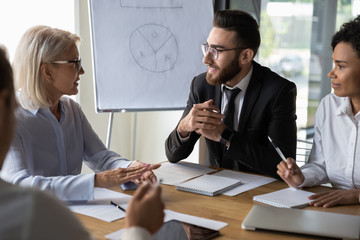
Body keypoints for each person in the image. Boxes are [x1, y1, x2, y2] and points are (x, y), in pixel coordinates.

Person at [0, 46, 164, 239]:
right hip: (59, 219)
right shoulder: (18, 116)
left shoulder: (71, 109)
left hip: (80, 214)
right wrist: (97, 181)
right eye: (74, 63)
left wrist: (130, 168)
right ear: (47, 71)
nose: (82, 70)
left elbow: (99, 156)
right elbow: (19, 182)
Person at [165, 10, 297, 178]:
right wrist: (183, 128)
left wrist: (226, 136)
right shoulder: (201, 85)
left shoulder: (278, 91)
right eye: (206, 47)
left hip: (260, 193)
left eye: (216, 51)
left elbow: (283, 167)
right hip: (216, 188)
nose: (206, 59)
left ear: (245, 56)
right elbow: (173, 155)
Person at [277, 16, 360, 208]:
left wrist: (356, 196)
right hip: (335, 211)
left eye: (341, 66)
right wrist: (300, 177)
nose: (331, 73)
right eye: (333, 64)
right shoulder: (328, 106)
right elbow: (321, 164)